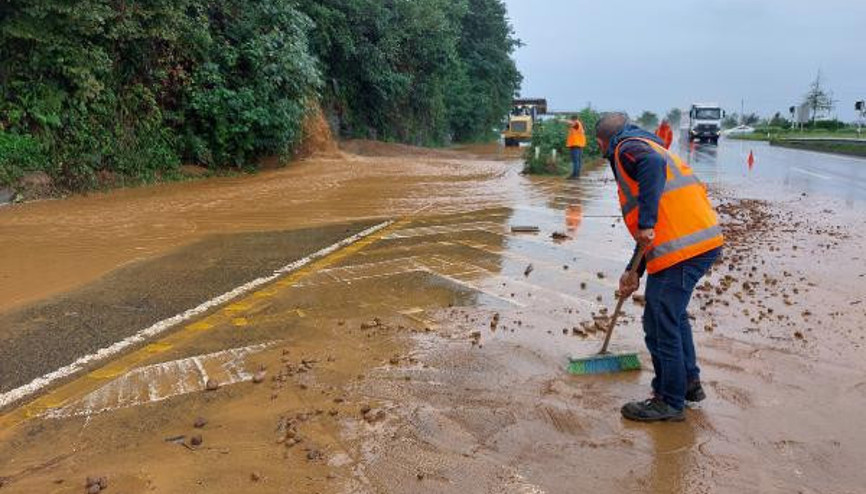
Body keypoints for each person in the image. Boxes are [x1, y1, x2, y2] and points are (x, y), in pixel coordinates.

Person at [594, 112, 724, 422]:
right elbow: (649, 229)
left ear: (601, 143)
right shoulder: (647, 144)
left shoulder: (625, 148)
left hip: (683, 247)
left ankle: (668, 400)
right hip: (691, 243)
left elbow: (650, 181)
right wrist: (633, 272)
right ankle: (688, 385)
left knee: (659, 321)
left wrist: (648, 222)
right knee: (672, 317)